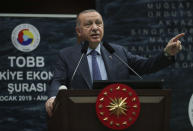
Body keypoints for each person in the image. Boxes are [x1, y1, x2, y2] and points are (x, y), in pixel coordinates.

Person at [45, 9, 184, 117]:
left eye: (98, 23)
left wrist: (167, 53)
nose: (95, 28)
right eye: (88, 24)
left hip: (116, 115)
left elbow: (145, 65)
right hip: (81, 116)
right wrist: (52, 98)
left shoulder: (118, 52)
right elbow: (57, 80)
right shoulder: (67, 55)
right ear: (78, 31)